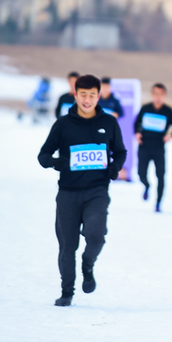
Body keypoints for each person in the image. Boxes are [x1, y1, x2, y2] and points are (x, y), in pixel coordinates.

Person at [38, 74, 127, 307]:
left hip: (97, 191)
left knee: (96, 236)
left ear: (99, 96)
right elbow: (43, 156)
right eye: (83, 95)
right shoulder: (63, 125)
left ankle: (88, 265)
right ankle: (67, 292)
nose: (87, 100)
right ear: (75, 95)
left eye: (92, 95)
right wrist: (59, 162)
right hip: (67, 193)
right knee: (68, 245)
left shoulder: (108, 123)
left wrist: (115, 167)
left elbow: (120, 152)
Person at [134, 83, 172, 213]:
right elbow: (136, 123)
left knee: (160, 175)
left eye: (161, 94)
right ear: (152, 95)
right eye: (156, 94)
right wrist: (137, 133)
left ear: (164, 95)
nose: (158, 97)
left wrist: (170, 135)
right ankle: (147, 185)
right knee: (141, 173)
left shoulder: (168, 111)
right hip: (144, 146)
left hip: (159, 148)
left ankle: (158, 203)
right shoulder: (145, 109)